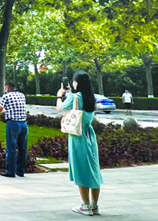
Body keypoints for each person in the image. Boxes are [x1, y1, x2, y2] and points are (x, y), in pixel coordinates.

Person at [57, 71, 103, 216]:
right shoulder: (91, 98)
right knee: (93, 170)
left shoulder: (74, 97)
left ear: (76, 83)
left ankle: (85, 205)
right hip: (90, 134)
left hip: (78, 136)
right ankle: (94, 205)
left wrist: (59, 95)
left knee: (81, 169)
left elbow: (60, 108)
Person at [0, 80, 28, 178]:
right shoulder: (22, 95)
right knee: (22, 148)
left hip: (13, 123)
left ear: (7, 87)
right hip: (23, 124)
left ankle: (11, 171)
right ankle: (21, 171)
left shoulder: (6, 96)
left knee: (11, 147)